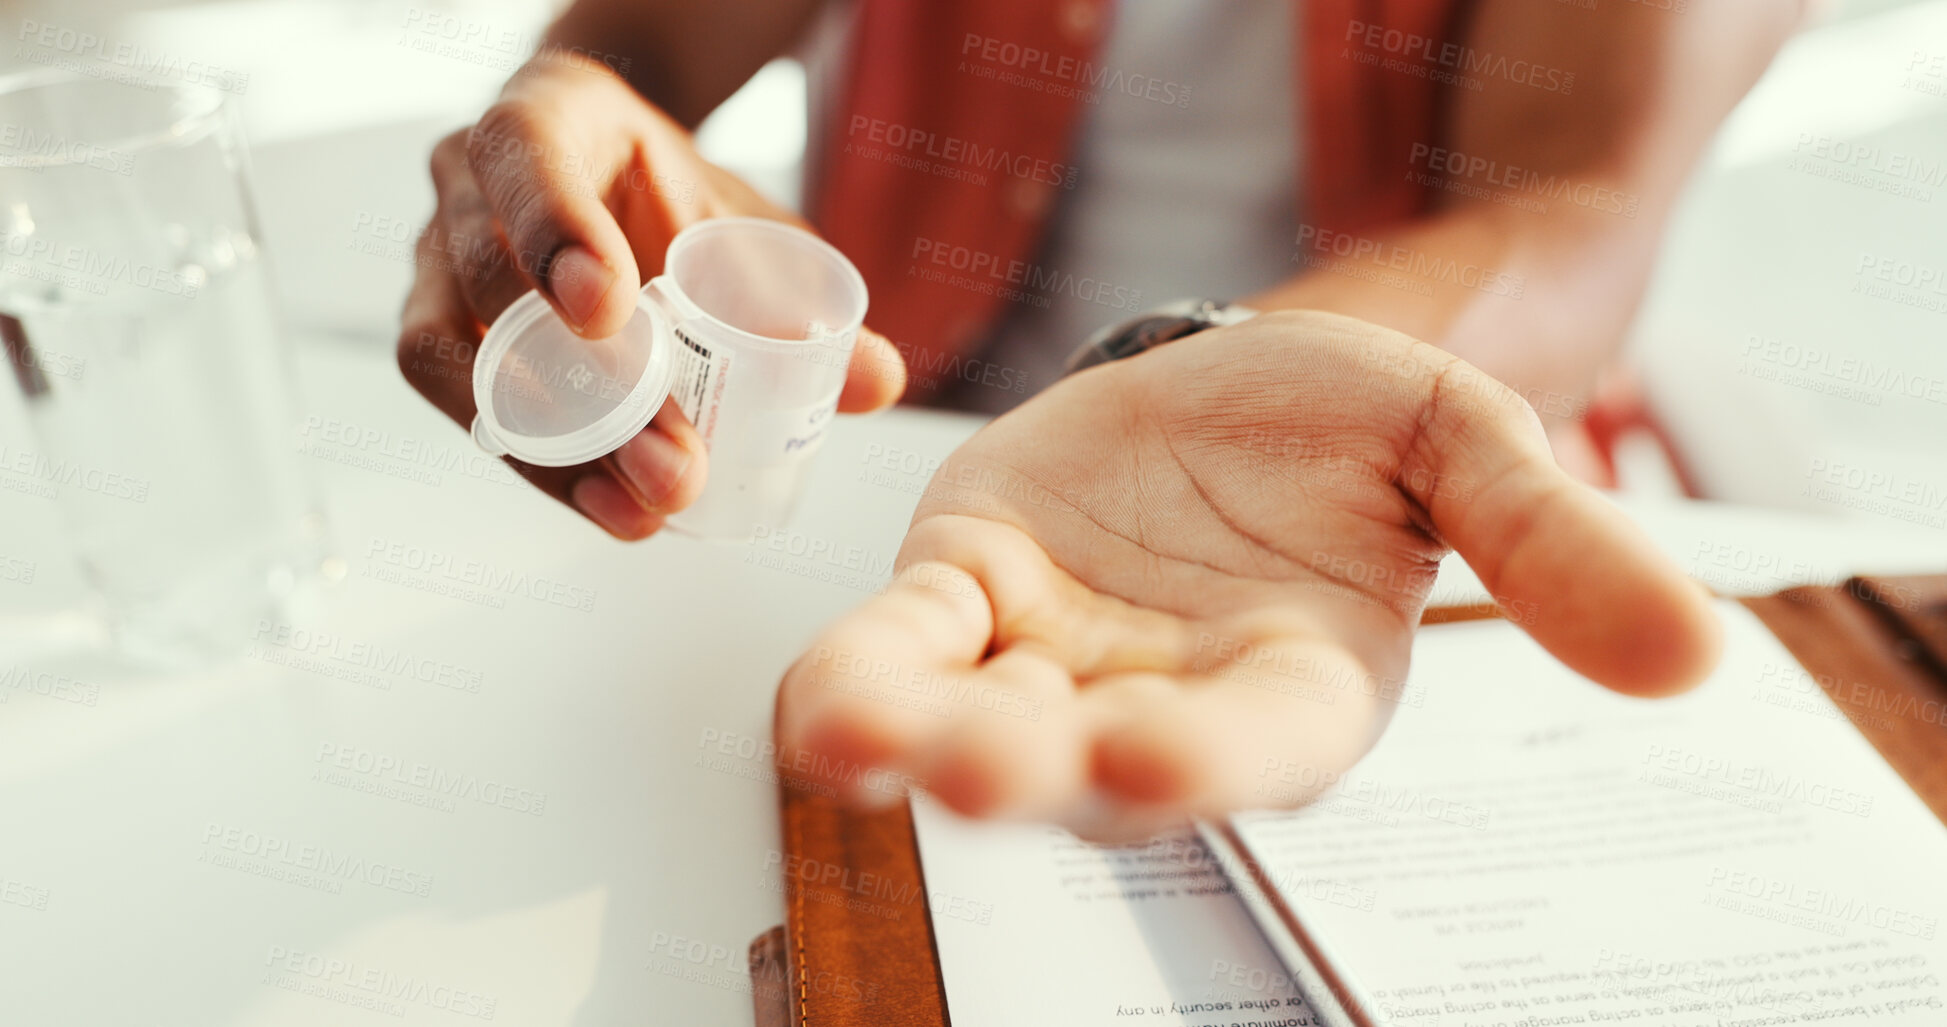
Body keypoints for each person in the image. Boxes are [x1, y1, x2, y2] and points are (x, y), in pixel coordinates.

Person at [397, 0, 1800, 835]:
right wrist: (571, 135)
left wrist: (1222, 369)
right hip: (873, 462)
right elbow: (645, 44)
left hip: (1352, 514)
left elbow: (1572, 211)